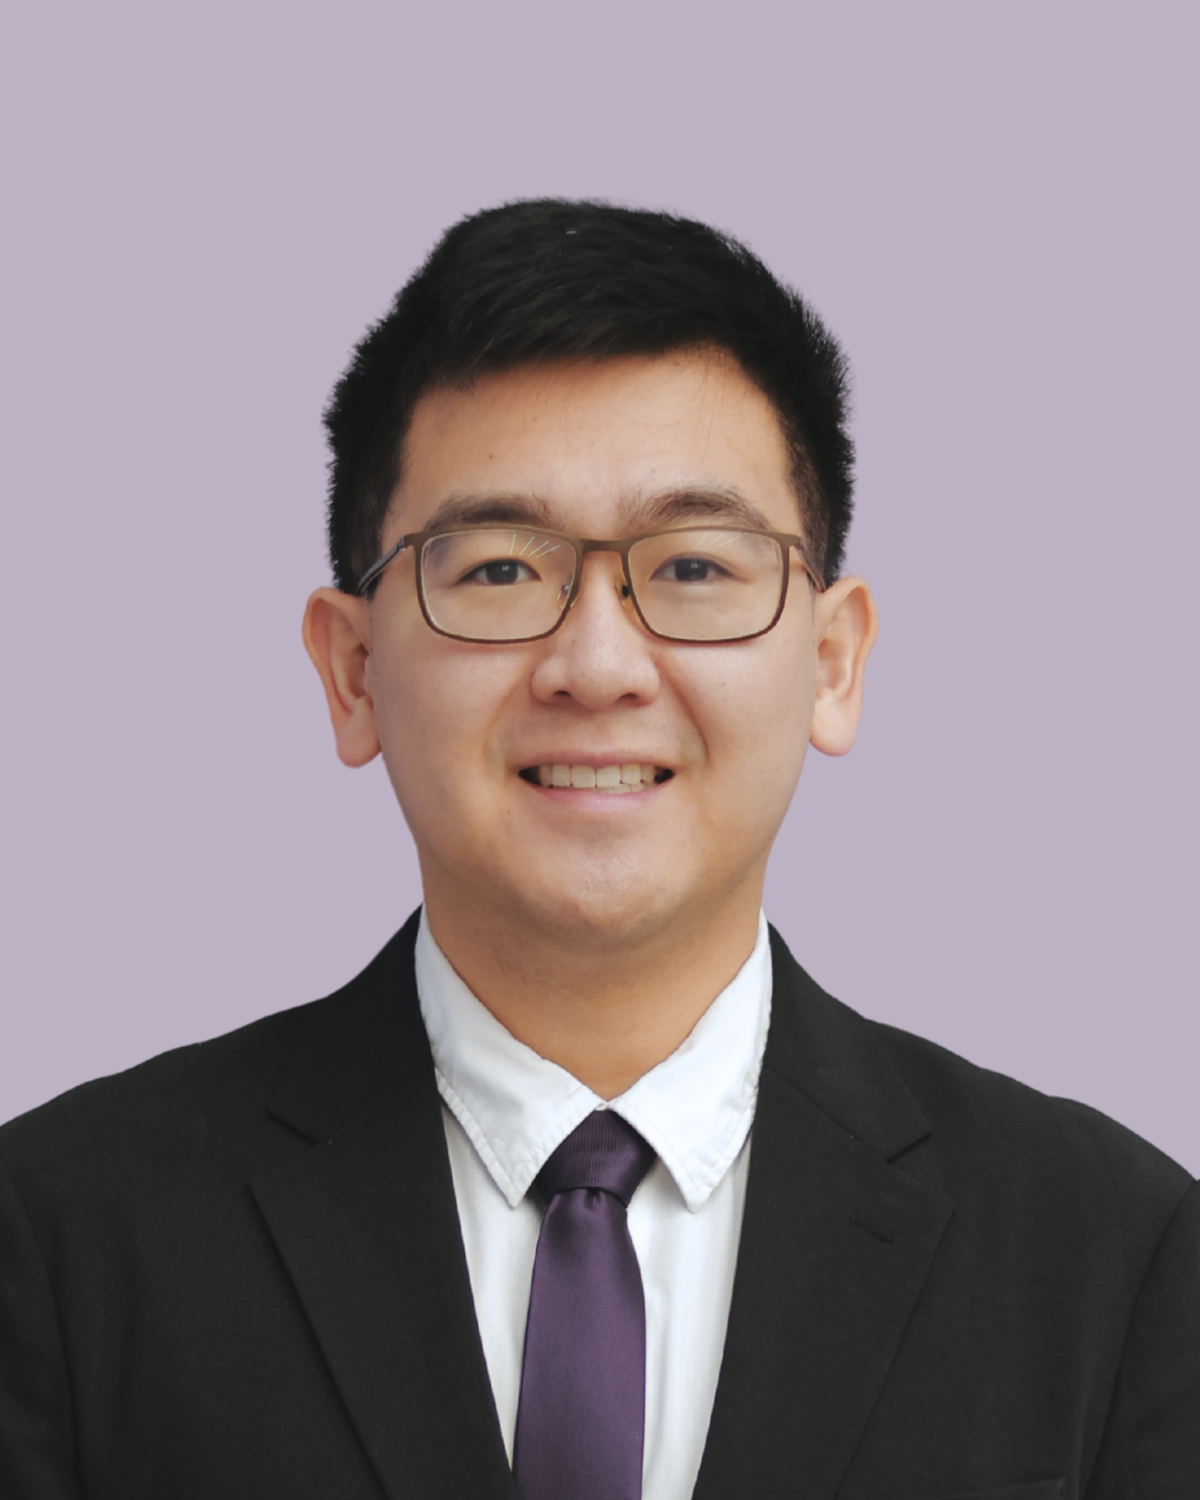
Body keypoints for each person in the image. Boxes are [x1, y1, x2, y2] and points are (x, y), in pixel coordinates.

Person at [0, 200, 1196, 1500]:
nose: (597, 665)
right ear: (351, 671)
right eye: (503, 570)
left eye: (693, 568)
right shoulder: (62, 1236)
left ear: (834, 662)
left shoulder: (1113, 1257)